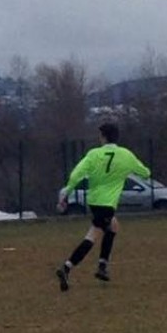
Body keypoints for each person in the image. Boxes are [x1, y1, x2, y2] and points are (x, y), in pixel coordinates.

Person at [56, 122, 151, 291]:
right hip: (107, 204)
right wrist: (125, 171)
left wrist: (66, 192)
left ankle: (102, 266)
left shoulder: (93, 154)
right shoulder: (125, 155)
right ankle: (67, 267)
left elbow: (77, 173)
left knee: (113, 227)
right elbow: (145, 173)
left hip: (94, 201)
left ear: (103, 136)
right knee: (92, 236)